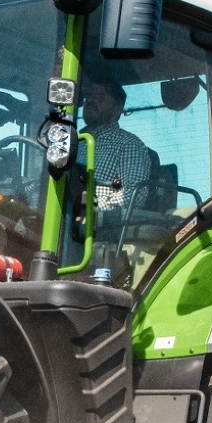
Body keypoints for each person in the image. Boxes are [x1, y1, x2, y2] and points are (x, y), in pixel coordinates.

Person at [80, 75, 151, 280]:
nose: (90, 100)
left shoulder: (127, 144)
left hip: (97, 232)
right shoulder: (71, 141)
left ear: (118, 108)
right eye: (89, 95)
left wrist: (89, 206)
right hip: (64, 223)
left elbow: (132, 196)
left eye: (100, 96)